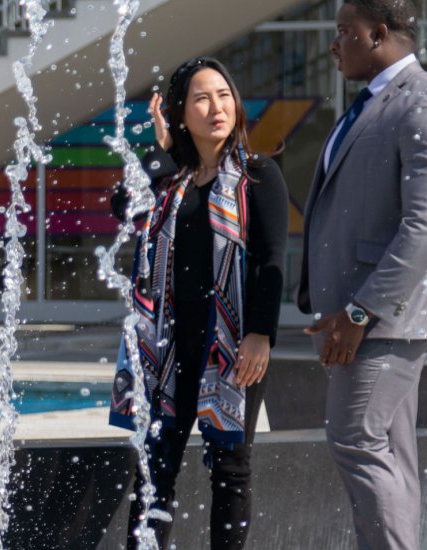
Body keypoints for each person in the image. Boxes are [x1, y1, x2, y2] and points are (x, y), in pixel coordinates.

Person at [297, 1, 427, 548]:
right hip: (368, 312)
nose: (334, 44)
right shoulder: (372, 104)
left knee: (356, 440)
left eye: (344, 33)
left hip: (385, 316)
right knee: (390, 452)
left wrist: (359, 310)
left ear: (377, 35)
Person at [107, 57, 289, 550]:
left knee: (230, 466)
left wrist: (260, 333)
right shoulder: (171, 179)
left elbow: (272, 257)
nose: (217, 107)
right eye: (202, 98)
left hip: (234, 342)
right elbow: (123, 207)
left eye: (225, 95)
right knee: (156, 464)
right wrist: (161, 150)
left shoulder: (258, 174)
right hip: (167, 345)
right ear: (181, 113)